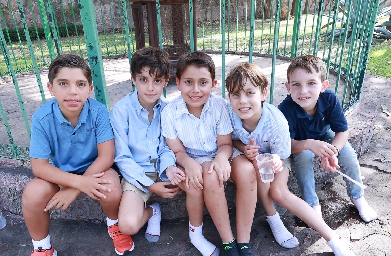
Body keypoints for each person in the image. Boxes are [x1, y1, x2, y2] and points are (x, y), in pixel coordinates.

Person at [225, 62, 355, 256]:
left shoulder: (276, 121)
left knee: (279, 191)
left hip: (278, 153)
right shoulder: (228, 114)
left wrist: (276, 159)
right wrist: (246, 149)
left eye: (249, 93)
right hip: (249, 156)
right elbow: (232, 140)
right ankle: (274, 219)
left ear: (263, 93)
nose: (242, 101)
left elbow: (283, 151)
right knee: (255, 168)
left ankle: (333, 240)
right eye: (235, 94)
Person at [22, 54, 122, 256]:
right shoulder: (42, 117)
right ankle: (42, 246)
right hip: (61, 171)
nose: (73, 92)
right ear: (51, 88)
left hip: (96, 169)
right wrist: (75, 183)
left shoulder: (99, 111)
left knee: (111, 188)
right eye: (63, 84)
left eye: (81, 84)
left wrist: (75, 188)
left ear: (90, 89)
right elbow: (39, 167)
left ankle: (115, 226)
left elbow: (106, 156)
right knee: (33, 194)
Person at [161, 52, 247, 256]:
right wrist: (188, 163)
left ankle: (235, 241)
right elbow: (177, 150)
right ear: (178, 83)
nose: (196, 90)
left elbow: (225, 144)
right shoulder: (170, 113)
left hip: (218, 154)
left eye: (203, 82)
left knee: (213, 172)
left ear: (213, 83)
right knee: (204, 176)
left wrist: (221, 158)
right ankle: (226, 240)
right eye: (188, 82)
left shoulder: (219, 107)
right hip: (189, 157)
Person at [278, 55, 378, 223]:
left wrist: (333, 152)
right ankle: (312, 205)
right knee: (304, 157)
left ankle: (358, 197)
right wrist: (309, 144)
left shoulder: (329, 98)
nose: (303, 91)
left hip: (323, 134)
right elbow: (286, 146)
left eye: (311, 83)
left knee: (348, 153)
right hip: (299, 142)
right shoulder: (285, 109)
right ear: (288, 87)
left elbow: (342, 132)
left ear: (323, 86)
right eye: (296, 84)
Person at [110, 47, 185, 254]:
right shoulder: (121, 111)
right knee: (127, 226)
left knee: (194, 181)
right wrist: (151, 185)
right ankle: (153, 211)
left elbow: (167, 146)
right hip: (136, 176)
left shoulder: (167, 109)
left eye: (157, 80)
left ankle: (198, 232)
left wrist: (170, 168)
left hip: (162, 170)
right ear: (133, 79)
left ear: (166, 80)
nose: (150, 88)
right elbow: (122, 157)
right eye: (143, 80)